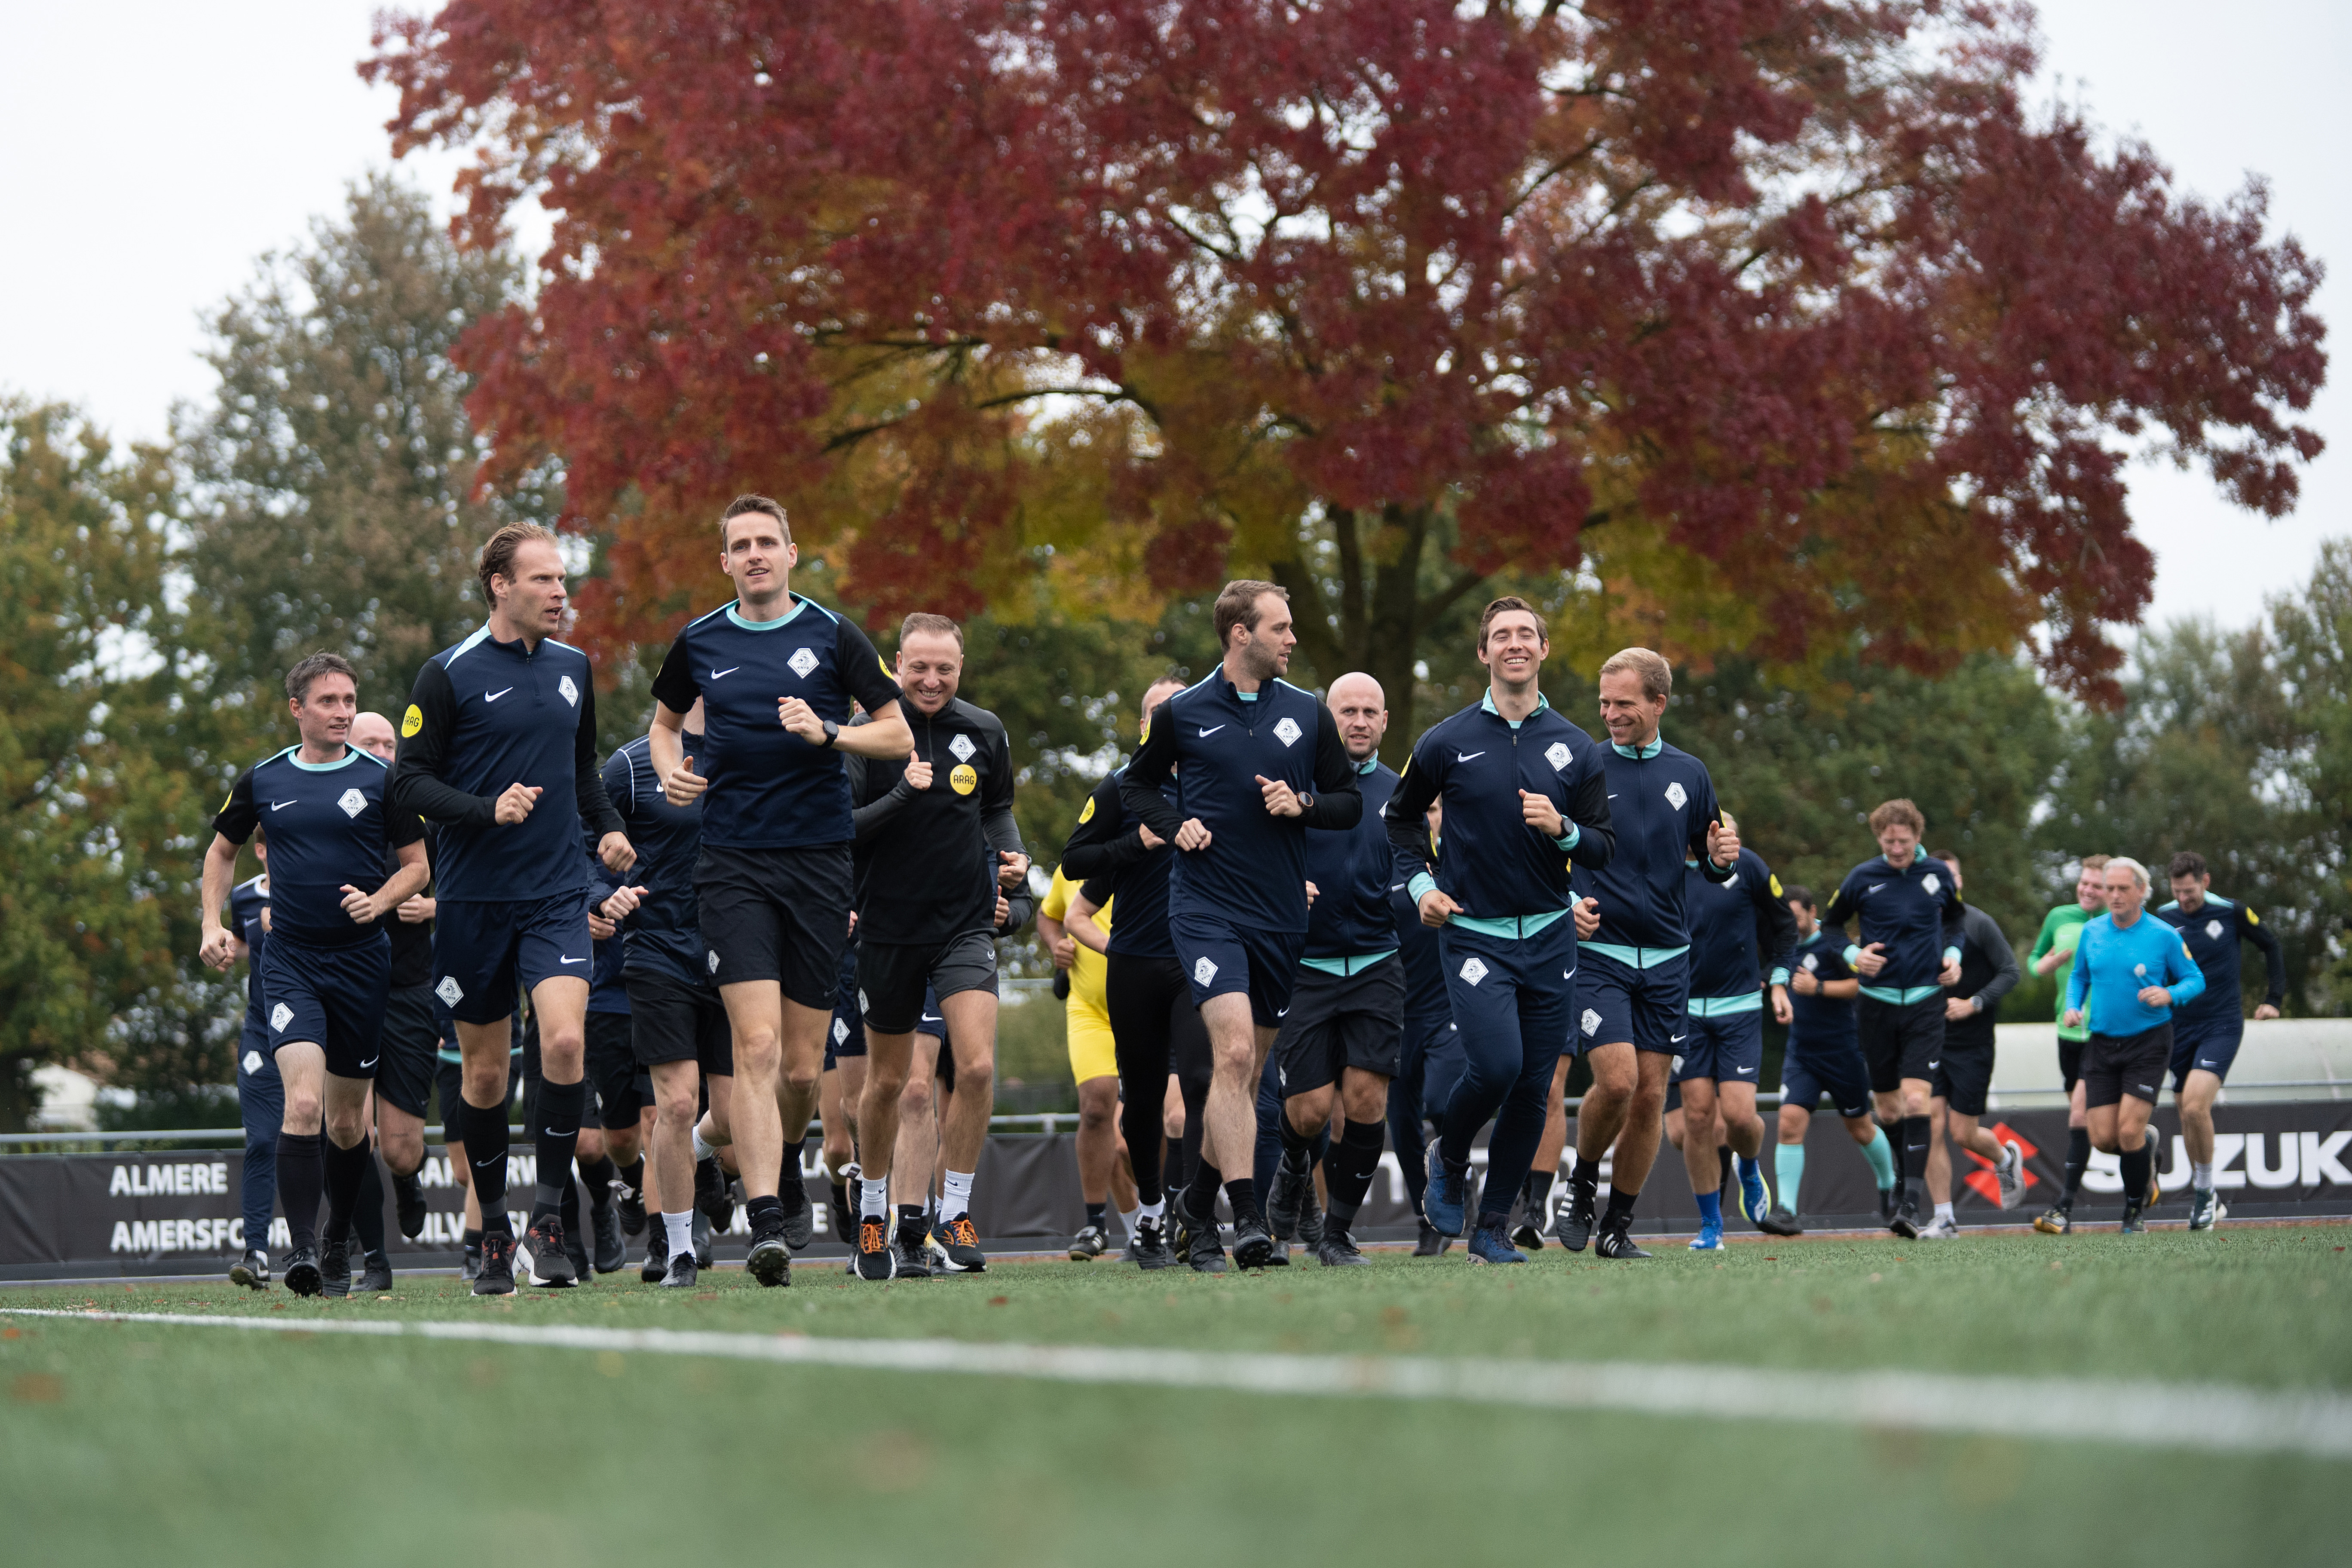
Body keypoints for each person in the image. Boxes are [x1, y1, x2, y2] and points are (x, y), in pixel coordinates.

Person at [646, 495, 908, 1286]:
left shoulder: (832, 634)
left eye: (767, 542)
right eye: (740, 545)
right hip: (731, 862)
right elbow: (662, 725)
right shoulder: (699, 640)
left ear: (793, 552)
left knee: (800, 1070)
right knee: (753, 1048)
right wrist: (668, 769)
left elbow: (894, 730)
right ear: (724, 562)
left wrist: (828, 731)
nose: (755, 554)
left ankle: (778, 1164)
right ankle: (766, 1219)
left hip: (820, 863)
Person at [390, 522, 635, 1293]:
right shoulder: (448, 673)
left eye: (563, 581)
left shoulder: (574, 668)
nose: (560, 593)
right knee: (488, 1076)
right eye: (543, 581)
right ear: (500, 585)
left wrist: (613, 829)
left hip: (558, 893)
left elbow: (583, 768)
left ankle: (551, 1219)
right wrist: (483, 808)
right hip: (472, 902)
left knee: (564, 1043)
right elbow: (407, 785)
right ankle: (493, 1227)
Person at [1119, 584, 1365, 1272]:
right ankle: (1247, 1218)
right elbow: (1134, 786)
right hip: (1204, 910)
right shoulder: (1184, 712)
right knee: (1230, 1058)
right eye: (1280, 629)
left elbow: (1348, 804)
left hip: (1283, 916)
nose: (1292, 640)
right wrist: (1174, 825)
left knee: (1250, 1072)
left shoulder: (1308, 715)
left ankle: (1196, 1211)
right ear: (1239, 634)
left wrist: (1303, 802)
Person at [1384, 598, 1614, 1264]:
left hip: (1550, 936)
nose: (1514, 644)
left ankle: (1490, 1230)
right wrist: (1423, 887)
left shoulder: (1576, 747)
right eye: (1500, 636)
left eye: (1526, 635)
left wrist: (1564, 829)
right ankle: (1449, 1156)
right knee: (1496, 1066)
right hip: (1475, 934)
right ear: (1484, 654)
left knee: (1535, 1087)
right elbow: (1400, 822)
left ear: (1544, 649)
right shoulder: (1443, 741)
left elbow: (1601, 845)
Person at [200, 653, 430, 1297]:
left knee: (349, 1125)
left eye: (350, 700)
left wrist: (380, 903)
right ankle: (302, 1249)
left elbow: (417, 866)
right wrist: (210, 925)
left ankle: (336, 1241)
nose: (343, 712)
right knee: (303, 1105)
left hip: (362, 964)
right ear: (297, 709)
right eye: (329, 701)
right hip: (292, 961)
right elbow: (223, 850)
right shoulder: (265, 779)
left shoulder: (385, 780)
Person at [840, 612, 1032, 1280]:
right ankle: (873, 1213)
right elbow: (846, 830)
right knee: (891, 1084)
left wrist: (1013, 856)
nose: (931, 679)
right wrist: (901, 789)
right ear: (896, 663)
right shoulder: (869, 733)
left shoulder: (985, 731)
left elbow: (996, 807)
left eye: (944, 668)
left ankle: (954, 1209)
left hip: (965, 926)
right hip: (888, 929)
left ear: (961, 668)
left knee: (976, 1068)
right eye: (918, 667)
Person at [1559, 647, 1735, 1260]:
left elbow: (1711, 860)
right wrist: (1567, 902)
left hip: (1666, 958)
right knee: (1616, 1081)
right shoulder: (1582, 765)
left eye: (1624, 704)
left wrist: (1720, 860)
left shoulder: (1692, 773)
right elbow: (1546, 853)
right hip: (1599, 951)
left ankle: (1618, 1226)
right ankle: (1582, 1182)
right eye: (1605, 703)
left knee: (1651, 1098)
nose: (1610, 714)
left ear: (1659, 703)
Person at [1261, 674, 1416, 1267]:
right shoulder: (1293, 785)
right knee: (1308, 1112)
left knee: (1367, 1101)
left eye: (1369, 711)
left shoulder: (1401, 793)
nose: (1358, 720)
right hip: (1304, 967)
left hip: (1378, 962)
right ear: (1328, 719)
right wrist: (1283, 886)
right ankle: (1296, 1162)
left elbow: (1415, 863)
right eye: (1346, 710)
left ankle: (1339, 1233)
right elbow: (1258, 854)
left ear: (1383, 721)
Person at [1062, 676, 1195, 1270]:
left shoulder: (1216, 782)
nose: (1167, 721)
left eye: (1178, 711)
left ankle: (1205, 1216)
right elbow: (1076, 861)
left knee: (1204, 1087)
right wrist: (1135, 846)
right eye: (1157, 712)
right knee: (1138, 1105)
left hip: (1204, 960)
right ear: (1144, 725)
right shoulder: (1120, 788)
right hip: (1136, 965)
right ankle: (1148, 1216)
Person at [1816, 799, 1965, 1238]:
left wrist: (1954, 957)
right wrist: (1852, 955)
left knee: (1918, 1102)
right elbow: (1830, 927)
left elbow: (1957, 922)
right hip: (1876, 1005)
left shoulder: (1938, 876)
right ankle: (1903, 1180)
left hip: (1925, 1002)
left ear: (1918, 838)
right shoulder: (1862, 878)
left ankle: (1912, 1204)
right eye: (1888, 841)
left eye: (1903, 841)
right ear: (1879, 838)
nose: (1896, 848)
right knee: (1888, 1108)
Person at [1672, 824, 1796, 1249]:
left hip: (1739, 1009)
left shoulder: (1750, 868)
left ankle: (1748, 1165)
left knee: (1741, 1119)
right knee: (1697, 1120)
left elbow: (1785, 929)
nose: (1720, 841)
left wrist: (1778, 982)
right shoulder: (1667, 866)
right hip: (1683, 1012)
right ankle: (1711, 1227)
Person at [2065, 857, 2204, 1234]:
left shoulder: (2164, 935)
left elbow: (2195, 980)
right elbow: (2078, 977)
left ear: (2141, 891)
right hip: (2102, 1044)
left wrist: (2169, 994)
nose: (2114, 896)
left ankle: (2133, 1213)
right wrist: (2072, 1006)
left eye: (2123, 889)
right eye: (2109, 889)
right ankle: (2148, 1151)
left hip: (2149, 1043)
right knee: (2103, 1138)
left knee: (2128, 1133)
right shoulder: (2092, 933)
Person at [2156, 851, 2286, 1229]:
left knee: (2197, 1107)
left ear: (2206, 881)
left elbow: (2272, 946)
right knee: (2185, 1111)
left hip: (2222, 1024)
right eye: (2178, 892)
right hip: (2178, 1028)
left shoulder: (2231, 912)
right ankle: (2209, 1195)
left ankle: (2203, 1195)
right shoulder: (2163, 917)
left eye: (2191, 891)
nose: (2185, 899)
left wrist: (2273, 1000)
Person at [1756, 886, 1898, 1234]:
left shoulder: (1834, 944)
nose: (1791, 922)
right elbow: (1768, 978)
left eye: (1796, 915)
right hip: (1801, 1054)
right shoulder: (1783, 947)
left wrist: (1818, 988)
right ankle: (1787, 1211)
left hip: (1843, 1051)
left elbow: (1860, 985)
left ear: (1812, 911)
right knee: (1789, 1122)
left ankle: (1890, 1184)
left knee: (1860, 1128)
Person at [349, 711, 438, 1252]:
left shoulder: (419, 812)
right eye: (371, 743)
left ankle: (407, 1180)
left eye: (390, 744)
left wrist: (433, 907)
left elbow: (468, 892)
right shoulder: (331, 814)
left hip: (410, 989)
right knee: (347, 1131)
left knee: (400, 1149)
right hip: (347, 988)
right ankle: (361, 1239)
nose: (384, 751)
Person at [1918, 850, 2027, 1237]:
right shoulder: (1918, 925)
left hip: (1973, 1045)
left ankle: (2004, 1155)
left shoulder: (1979, 923)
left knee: (1963, 1133)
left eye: (1951, 877)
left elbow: (2011, 972)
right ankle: (1944, 1217)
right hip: (1930, 1042)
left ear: (1959, 882)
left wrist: (1974, 1003)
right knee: (1929, 1126)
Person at [1037, 864, 1139, 1259]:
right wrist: (1056, 945)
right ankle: (1100, 1225)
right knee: (1097, 1109)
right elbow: (1050, 915)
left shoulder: (1152, 854)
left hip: (1147, 1008)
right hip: (1089, 1011)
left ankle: (1158, 1218)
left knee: (1128, 1142)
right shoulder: (1072, 868)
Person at [1385, 798, 1467, 1257]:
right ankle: (1427, 1219)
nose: (1430, 814)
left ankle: (1453, 1179)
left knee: (1440, 1100)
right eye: (1425, 807)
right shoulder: (1394, 860)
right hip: (1396, 1012)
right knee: (1400, 1120)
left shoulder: (1462, 861)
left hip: (1449, 1009)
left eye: (1437, 807)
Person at [2028, 855, 2109, 1234]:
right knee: (2096, 1127)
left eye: (2097, 885)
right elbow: (2032, 960)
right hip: (2067, 1033)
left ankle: (2064, 1208)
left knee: (2078, 1117)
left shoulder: (2120, 924)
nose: (2089, 890)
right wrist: (2045, 965)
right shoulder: (2060, 917)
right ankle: (2145, 1154)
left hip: (2104, 1035)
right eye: (2085, 883)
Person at [224, 838, 279, 1288]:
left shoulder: (323, 885)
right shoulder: (243, 895)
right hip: (260, 1034)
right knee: (262, 1141)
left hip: (316, 1032)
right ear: (261, 850)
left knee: (324, 1139)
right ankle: (256, 1251)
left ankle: (335, 1241)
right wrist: (227, 946)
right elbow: (243, 942)